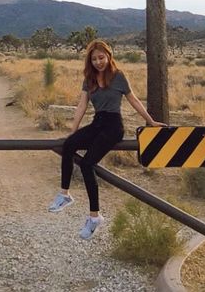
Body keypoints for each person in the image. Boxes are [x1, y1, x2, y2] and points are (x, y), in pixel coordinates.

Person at [48, 39, 166, 240]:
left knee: (87, 164)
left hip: (113, 127)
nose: (98, 62)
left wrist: (151, 121)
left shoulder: (118, 76)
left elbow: (133, 100)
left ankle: (95, 217)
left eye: (101, 57)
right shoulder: (90, 79)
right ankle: (65, 194)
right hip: (97, 123)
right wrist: (73, 131)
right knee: (68, 145)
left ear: (109, 56)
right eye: (94, 59)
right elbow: (82, 105)